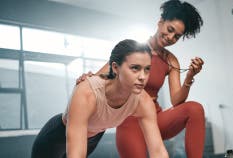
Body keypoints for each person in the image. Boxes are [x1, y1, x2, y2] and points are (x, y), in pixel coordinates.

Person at [77, 0, 205, 157]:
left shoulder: (171, 60)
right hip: (130, 119)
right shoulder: (133, 50)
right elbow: (102, 77)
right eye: (169, 29)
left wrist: (190, 77)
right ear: (160, 23)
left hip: (157, 119)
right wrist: (87, 79)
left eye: (176, 36)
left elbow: (176, 101)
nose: (170, 37)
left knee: (195, 109)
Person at [31, 39, 169, 158]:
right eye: (135, 68)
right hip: (56, 136)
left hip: (92, 139)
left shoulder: (144, 102)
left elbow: (158, 151)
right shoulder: (88, 93)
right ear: (115, 67)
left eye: (147, 69)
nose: (143, 77)